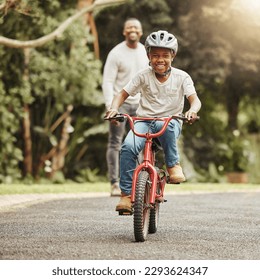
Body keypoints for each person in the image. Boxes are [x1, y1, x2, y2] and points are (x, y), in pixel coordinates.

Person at [105, 30, 202, 212]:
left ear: (172, 56)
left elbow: (194, 99)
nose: (160, 60)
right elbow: (122, 94)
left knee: (168, 126)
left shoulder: (182, 77)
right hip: (143, 121)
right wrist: (113, 108)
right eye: (155, 55)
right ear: (148, 56)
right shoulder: (143, 76)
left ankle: (173, 165)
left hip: (169, 121)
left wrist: (192, 111)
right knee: (127, 147)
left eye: (165, 55)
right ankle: (126, 196)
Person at [102, 18, 148, 196]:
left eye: (136, 27)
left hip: (140, 106)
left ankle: (138, 182)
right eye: (129, 27)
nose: (132, 29)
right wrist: (110, 106)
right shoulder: (116, 53)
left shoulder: (145, 52)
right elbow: (107, 81)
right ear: (124, 31)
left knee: (140, 143)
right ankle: (114, 183)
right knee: (115, 142)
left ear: (141, 31)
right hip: (119, 104)